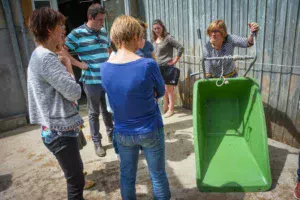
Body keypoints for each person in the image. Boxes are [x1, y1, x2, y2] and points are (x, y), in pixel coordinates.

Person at [101, 15, 171, 200]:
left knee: (127, 177)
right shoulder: (148, 64)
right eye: (140, 35)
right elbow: (161, 90)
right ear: (133, 37)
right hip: (149, 128)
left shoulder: (104, 68)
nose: (142, 38)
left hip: (123, 131)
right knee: (157, 176)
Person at [28, 7, 85, 200]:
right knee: (76, 181)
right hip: (59, 131)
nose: (64, 29)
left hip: (52, 128)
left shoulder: (39, 54)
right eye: (60, 25)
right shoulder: (47, 59)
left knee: (74, 177)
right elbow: (74, 92)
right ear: (49, 29)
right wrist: (68, 64)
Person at [62, 3, 113, 157]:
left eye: (103, 20)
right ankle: (97, 142)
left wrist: (111, 59)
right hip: (91, 81)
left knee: (108, 110)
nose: (102, 23)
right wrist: (78, 64)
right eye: (99, 20)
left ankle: (112, 135)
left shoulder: (104, 31)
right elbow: (62, 50)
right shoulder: (77, 34)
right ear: (90, 18)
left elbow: (109, 48)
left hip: (106, 78)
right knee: (93, 112)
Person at [152, 19, 184, 118]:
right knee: (162, 89)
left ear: (163, 27)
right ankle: (165, 107)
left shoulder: (168, 38)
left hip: (167, 67)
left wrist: (175, 60)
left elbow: (180, 47)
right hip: (158, 68)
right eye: (155, 29)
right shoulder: (154, 39)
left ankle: (171, 109)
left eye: (158, 28)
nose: (157, 30)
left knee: (169, 89)